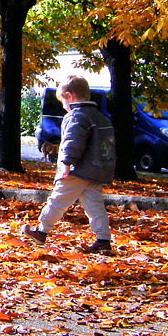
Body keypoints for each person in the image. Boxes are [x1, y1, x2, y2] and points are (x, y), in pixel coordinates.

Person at [22, 75, 116, 254]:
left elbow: (72, 142)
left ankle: (41, 230)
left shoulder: (76, 117)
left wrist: (66, 163)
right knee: (95, 205)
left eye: (62, 101)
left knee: (58, 200)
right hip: (96, 170)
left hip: (77, 170)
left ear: (69, 96)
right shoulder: (100, 118)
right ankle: (103, 239)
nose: (63, 106)